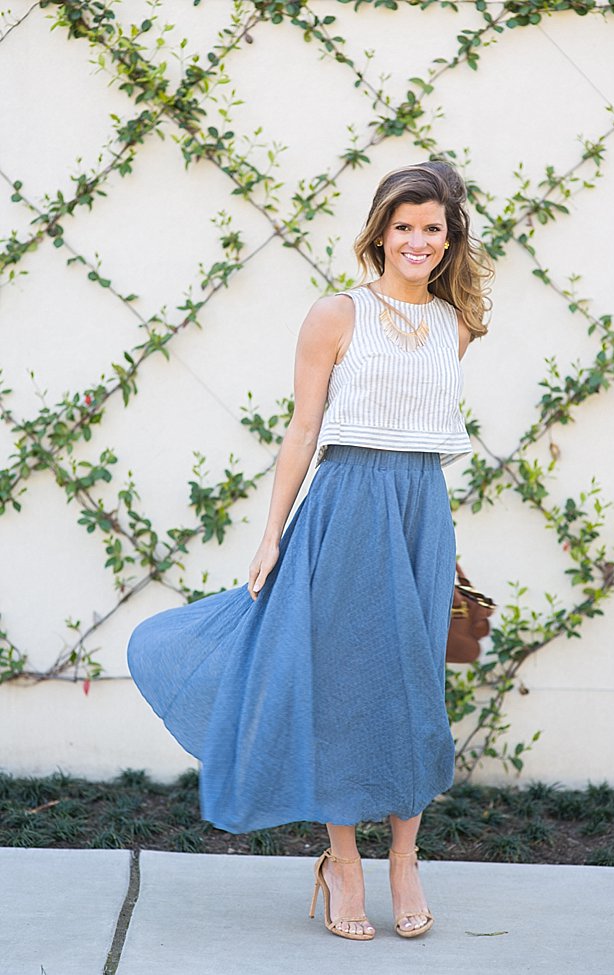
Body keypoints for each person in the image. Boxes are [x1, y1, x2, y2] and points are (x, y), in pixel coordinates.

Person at [127, 158, 492, 942]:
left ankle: (405, 857)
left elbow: (417, 433)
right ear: (381, 232)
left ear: (449, 233)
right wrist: (270, 536)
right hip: (345, 507)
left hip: (420, 509)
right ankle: (342, 863)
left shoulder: (456, 323)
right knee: (338, 681)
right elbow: (303, 431)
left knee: (414, 681)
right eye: (404, 226)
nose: (418, 240)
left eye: (433, 227)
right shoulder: (336, 315)